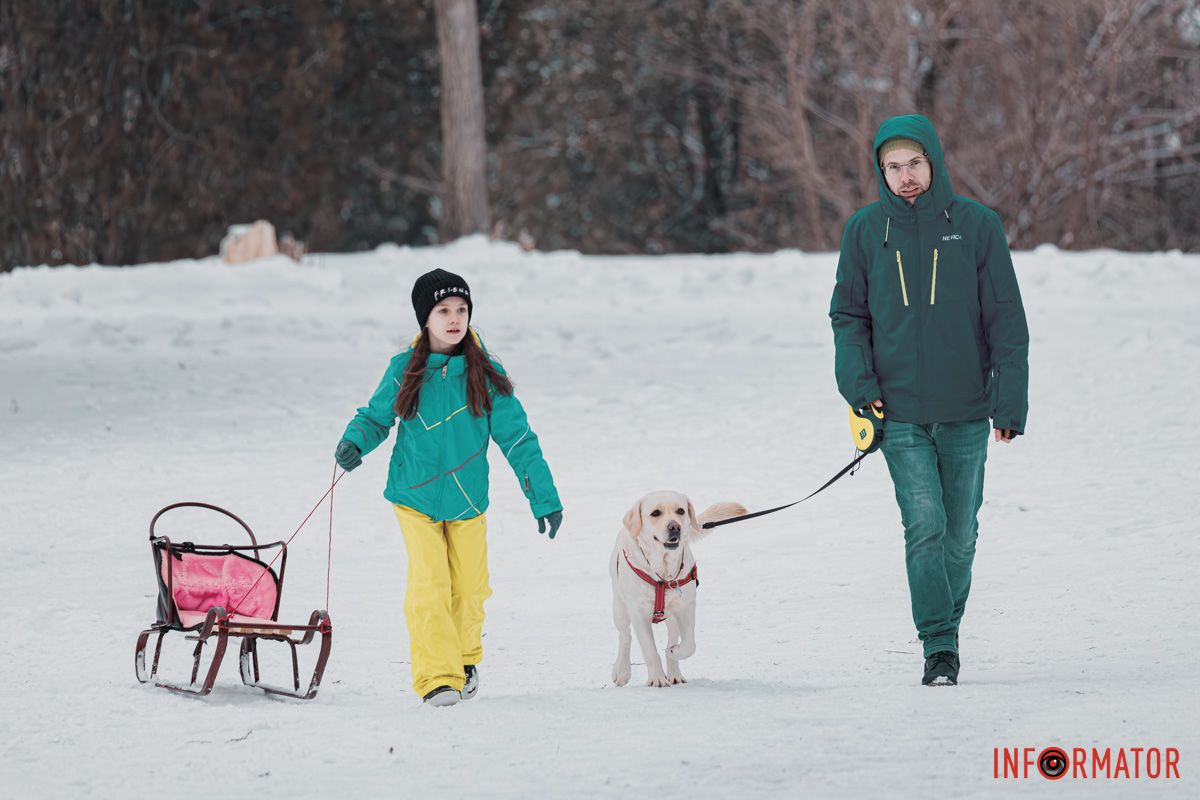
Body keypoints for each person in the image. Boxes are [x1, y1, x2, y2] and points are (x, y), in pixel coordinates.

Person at [829, 114, 1029, 686]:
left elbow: (1007, 320)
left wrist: (1008, 400)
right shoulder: (866, 232)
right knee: (925, 526)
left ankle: (948, 628)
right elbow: (849, 316)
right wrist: (860, 390)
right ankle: (939, 645)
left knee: (960, 534)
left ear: (934, 161)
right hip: (898, 414)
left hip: (967, 407)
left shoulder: (976, 226)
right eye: (893, 167)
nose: (906, 176)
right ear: (881, 172)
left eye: (915, 163)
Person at [335, 268, 563, 706]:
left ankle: (463, 658)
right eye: (443, 310)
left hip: (467, 500)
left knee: (472, 586)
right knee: (430, 583)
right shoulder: (405, 369)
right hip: (414, 496)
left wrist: (544, 498)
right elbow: (376, 416)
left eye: (461, 309)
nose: (454, 318)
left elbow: (519, 441)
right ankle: (437, 677)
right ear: (425, 318)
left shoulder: (486, 374)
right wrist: (354, 441)